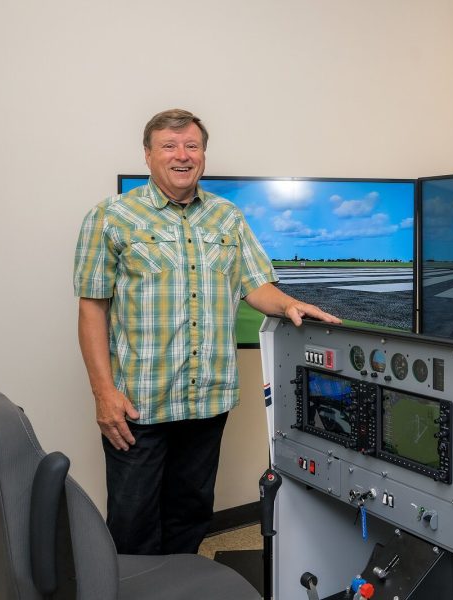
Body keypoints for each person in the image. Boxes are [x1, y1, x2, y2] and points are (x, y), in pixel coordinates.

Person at [73, 108, 340, 555]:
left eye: (192, 146)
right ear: (148, 154)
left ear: (203, 154)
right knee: (132, 523)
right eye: (170, 146)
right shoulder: (110, 217)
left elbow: (256, 285)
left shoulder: (227, 217)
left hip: (207, 401)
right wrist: (104, 393)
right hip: (139, 405)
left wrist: (291, 304)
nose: (182, 155)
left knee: (191, 515)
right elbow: (92, 309)